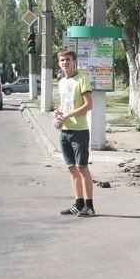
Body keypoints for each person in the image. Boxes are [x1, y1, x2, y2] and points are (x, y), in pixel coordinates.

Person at [53, 48, 95, 217]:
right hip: (65, 130)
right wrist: (58, 112)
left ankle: (89, 206)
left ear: (74, 61)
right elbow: (65, 104)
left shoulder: (82, 79)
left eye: (68, 59)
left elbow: (88, 105)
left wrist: (67, 115)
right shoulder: (62, 82)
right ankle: (78, 204)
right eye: (62, 60)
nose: (65, 63)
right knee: (71, 168)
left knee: (82, 167)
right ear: (59, 63)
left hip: (79, 131)